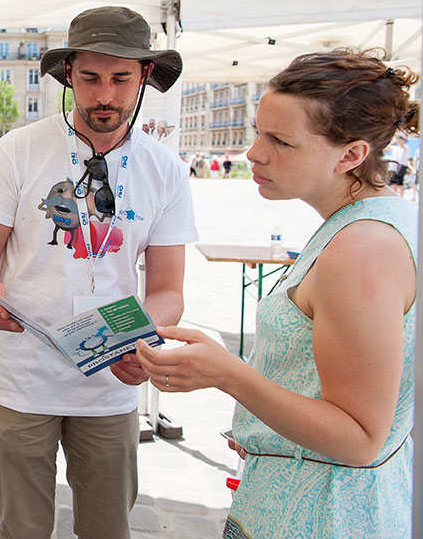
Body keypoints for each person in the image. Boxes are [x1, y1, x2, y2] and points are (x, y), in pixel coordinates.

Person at [135, 49, 418, 539]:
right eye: (257, 132)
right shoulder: (378, 222)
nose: (254, 154)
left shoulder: (359, 249)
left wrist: (231, 376)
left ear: (351, 155)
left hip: (321, 515)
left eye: (281, 141)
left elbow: (358, 438)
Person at [0, 6, 196, 539]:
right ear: (69, 75)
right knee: (22, 528)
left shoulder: (166, 170)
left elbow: (167, 291)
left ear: (145, 78)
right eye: (90, 78)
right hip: (21, 377)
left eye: (120, 79)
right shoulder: (18, 150)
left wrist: (138, 340)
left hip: (110, 382)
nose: (104, 96)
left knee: (109, 528)